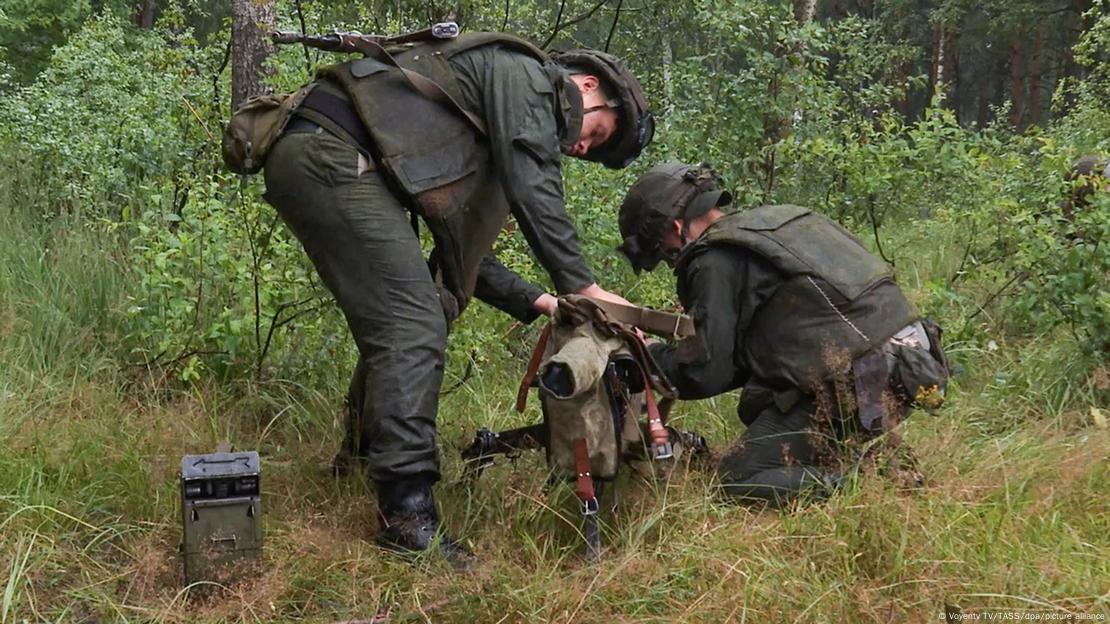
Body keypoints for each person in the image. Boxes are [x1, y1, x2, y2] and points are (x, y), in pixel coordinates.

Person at [261, 32, 653, 560]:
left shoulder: (484, 125)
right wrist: (580, 283)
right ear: (586, 86)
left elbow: (467, 261)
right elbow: (533, 183)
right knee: (412, 325)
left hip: (328, 153)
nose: (582, 149)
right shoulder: (525, 76)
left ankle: (357, 460)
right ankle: (405, 516)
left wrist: (545, 302)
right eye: (597, 134)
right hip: (330, 151)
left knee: (416, 316)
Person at [617, 162, 948, 508]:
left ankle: (871, 477)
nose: (670, 261)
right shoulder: (784, 220)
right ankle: (845, 458)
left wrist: (649, 353)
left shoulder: (714, 257)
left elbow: (706, 372)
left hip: (866, 378)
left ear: (674, 226)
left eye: (663, 249)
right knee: (761, 407)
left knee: (736, 480)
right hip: (916, 362)